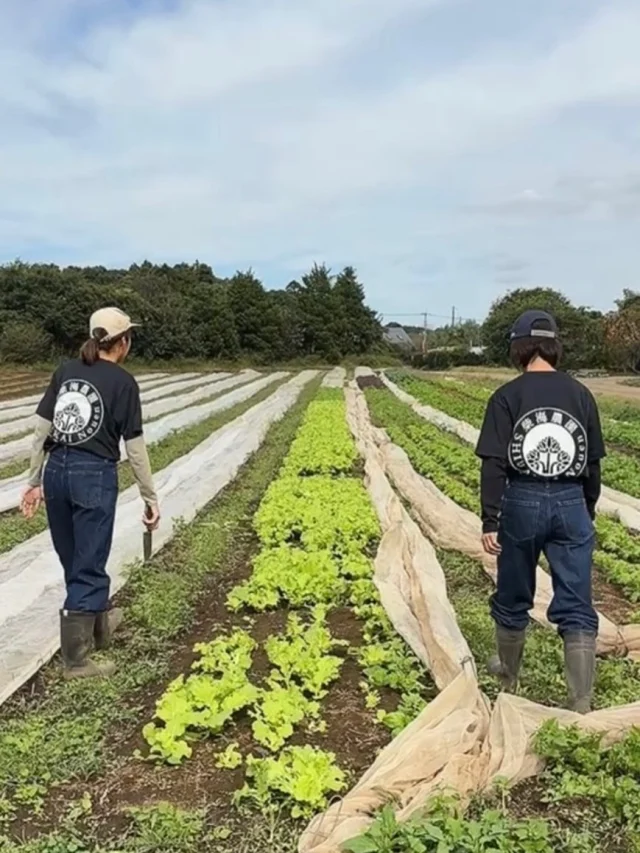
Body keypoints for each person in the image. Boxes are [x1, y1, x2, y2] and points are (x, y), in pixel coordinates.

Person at [20, 307, 160, 680]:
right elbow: (135, 447)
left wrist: (34, 481)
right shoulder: (124, 383)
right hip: (92, 475)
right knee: (90, 558)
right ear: (123, 342)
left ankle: (99, 622)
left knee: (75, 557)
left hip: (56, 471)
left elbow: (40, 431)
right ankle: (77, 661)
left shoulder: (66, 371)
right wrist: (150, 497)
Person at [475, 309, 605, 713]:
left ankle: (508, 677)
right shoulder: (581, 394)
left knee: (514, 592)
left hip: (523, 499)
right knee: (576, 599)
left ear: (519, 348)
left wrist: (490, 519)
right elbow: (594, 462)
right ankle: (580, 702)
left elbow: (494, 463)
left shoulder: (507, 397)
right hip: (571, 500)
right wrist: (585, 508)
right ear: (554, 346)